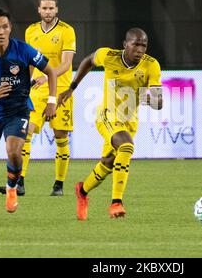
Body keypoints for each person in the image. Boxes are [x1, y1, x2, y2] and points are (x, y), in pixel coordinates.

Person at [58, 28, 163, 220]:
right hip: (107, 116)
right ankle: (116, 202)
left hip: (130, 121)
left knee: (108, 162)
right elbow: (88, 61)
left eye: (144, 45)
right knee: (126, 147)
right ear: (125, 44)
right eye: (136, 44)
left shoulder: (151, 65)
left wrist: (150, 99)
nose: (140, 49)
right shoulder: (108, 56)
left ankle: (82, 190)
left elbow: (158, 103)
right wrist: (71, 88)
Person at [0, 9, 57, 220]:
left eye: (5, 27)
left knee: (14, 150)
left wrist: (51, 101)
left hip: (18, 110)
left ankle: (12, 188)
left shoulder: (23, 50)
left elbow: (50, 71)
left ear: (10, 28)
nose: (1, 31)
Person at [0, 0, 76, 196]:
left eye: (51, 8)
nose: (48, 12)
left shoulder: (67, 31)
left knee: (60, 137)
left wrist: (47, 76)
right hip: (37, 90)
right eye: (45, 8)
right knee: (26, 132)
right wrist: (22, 85)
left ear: (57, 9)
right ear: (39, 10)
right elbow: (29, 63)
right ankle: (19, 182)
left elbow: (67, 64)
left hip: (61, 90)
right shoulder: (31, 31)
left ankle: (58, 185)